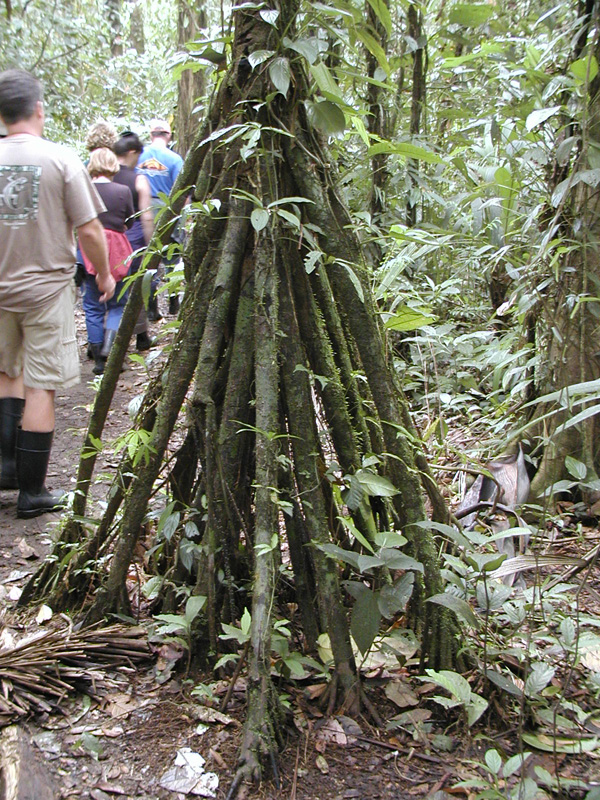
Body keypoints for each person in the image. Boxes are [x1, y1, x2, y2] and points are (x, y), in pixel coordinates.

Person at [0, 69, 115, 519]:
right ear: (39, 110)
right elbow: (89, 228)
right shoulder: (61, 160)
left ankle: (7, 466)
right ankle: (31, 493)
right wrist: (104, 275)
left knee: (6, 373)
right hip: (47, 290)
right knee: (41, 385)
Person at [79, 147, 134, 375]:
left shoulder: (85, 189)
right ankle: (109, 351)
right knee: (118, 303)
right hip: (117, 249)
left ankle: (98, 359)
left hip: (90, 246)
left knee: (92, 305)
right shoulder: (123, 190)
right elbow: (130, 220)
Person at [113, 131, 155, 350]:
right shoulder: (138, 179)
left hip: (109, 239)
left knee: (110, 288)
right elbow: (146, 214)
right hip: (134, 238)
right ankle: (141, 336)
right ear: (131, 153)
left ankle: (102, 341)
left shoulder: (102, 176)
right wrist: (151, 245)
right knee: (136, 287)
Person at [137, 118, 184, 318]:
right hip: (169, 208)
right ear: (168, 135)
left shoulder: (139, 157)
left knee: (149, 258)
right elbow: (182, 191)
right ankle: (174, 303)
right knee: (173, 257)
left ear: (151, 135)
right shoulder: (174, 159)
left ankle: (151, 307)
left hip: (144, 208)